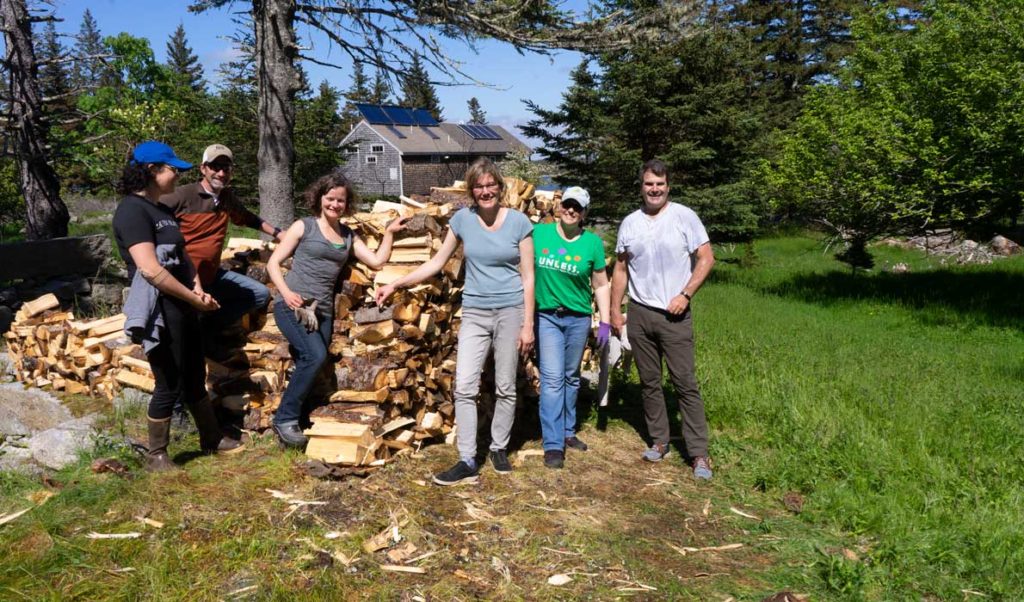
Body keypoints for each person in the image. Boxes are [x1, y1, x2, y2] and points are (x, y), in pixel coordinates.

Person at [375, 157, 534, 486]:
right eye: (479, 186)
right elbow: (436, 263)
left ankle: (499, 448)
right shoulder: (462, 220)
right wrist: (395, 283)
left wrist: (528, 324)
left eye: (491, 185)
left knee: (505, 386)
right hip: (475, 312)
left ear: (500, 188)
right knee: (463, 386)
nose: (486, 190)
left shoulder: (519, 222)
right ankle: (466, 459)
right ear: (472, 190)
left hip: (510, 310)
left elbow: (528, 277)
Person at [112, 141, 244, 471]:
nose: (176, 175)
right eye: (172, 168)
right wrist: (190, 297)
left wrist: (197, 288)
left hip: (184, 304)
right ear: (151, 171)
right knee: (168, 380)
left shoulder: (163, 210)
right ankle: (157, 455)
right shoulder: (132, 211)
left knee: (193, 374)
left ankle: (211, 438)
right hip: (161, 308)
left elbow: (182, 258)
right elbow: (151, 270)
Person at [266, 172, 406, 448]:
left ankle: (301, 418)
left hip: (324, 312)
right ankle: (284, 419)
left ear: (347, 203)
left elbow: (377, 261)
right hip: (293, 306)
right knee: (314, 355)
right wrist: (287, 293)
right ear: (319, 199)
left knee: (315, 362)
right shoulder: (303, 226)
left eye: (340, 200)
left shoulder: (347, 235)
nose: (335, 204)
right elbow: (273, 263)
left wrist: (388, 232)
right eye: (330, 198)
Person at [609, 159, 716, 480]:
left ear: (668, 186)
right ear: (641, 187)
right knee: (650, 382)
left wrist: (685, 294)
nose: (654, 189)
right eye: (648, 184)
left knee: (685, 384)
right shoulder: (630, 223)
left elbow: (707, 258)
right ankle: (659, 440)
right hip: (640, 313)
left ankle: (698, 453)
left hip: (675, 314)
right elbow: (620, 268)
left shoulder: (685, 217)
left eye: (659, 184)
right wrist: (616, 310)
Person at [159, 144, 283, 347]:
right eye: (215, 167)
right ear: (203, 169)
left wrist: (279, 233)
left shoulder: (226, 199)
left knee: (259, 294)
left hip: (212, 275)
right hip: (184, 279)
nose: (221, 173)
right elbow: (149, 215)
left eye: (226, 168)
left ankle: (208, 327)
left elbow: (248, 218)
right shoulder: (182, 196)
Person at [532, 186, 610, 469]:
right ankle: (552, 444)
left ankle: (567, 432)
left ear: (585, 212)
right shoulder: (539, 234)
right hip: (547, 317)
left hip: (578, 318)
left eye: (577, 206)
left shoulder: (592, 243)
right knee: (552, 379)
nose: (571, 210)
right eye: (567, 204)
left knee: (571, 377)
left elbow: (601, 283)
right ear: (559, 206)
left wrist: (605, 321)